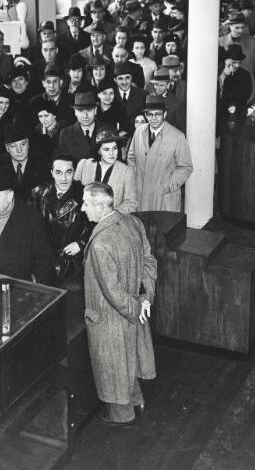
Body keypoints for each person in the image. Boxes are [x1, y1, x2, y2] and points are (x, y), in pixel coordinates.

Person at [82, 182, 157, 426]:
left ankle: (121, 416)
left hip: (110, 317)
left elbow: (112, 292)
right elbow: (149, 261)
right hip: (133, 309)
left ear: (101, 206)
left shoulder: (101, 243)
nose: (83, 209)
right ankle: (138, 401)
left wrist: (135, 309)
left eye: (86, 203)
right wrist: (145, 299)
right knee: (128, 360)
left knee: (113, 368)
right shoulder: (133, 223)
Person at [0, 164, 54, 284]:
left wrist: (30, 285)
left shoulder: (31, 218)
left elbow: (44, 261)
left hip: (17, 293)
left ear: (10, 195)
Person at [31, 154, 92, 290]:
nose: (63, 178)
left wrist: (81, 243)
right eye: (58, 173)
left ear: (74, 173)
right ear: (52, 173)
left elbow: (95, 226)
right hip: (44, 263)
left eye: (68, 172)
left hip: (72, 264)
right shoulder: (38, 193)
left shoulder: (84, 195)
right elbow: (29, 228)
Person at [127, 95, 193, 211]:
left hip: (164, 197)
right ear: (146, 115)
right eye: (150, 114)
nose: (154, 118)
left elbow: (185, 167)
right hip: (142, 194)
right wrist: (135, 178)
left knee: (164, 227)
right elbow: (131, 157)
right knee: (142, 226)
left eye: (158, 114)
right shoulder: (139, 131)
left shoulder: (177, 137)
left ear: (165, 114)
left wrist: (167, 186)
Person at [75, 127, 137, 213]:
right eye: (106, 149)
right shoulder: (84, 165)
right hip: (84, 220)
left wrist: (111, 214)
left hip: (111, 223)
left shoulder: (126, 171)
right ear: (99, 151)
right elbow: (74, 194)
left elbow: (131, 204)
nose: (112, 153)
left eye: (114, 148)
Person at [0, 124, 50, 202]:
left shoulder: (43, 163)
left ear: (28, 144)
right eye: (13, 146)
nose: (19, 150)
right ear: (7, 148)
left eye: (23, 144)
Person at [219, 11, 255, 103]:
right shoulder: (221, 41)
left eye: (242, 27)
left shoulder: (254, 42)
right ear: (230, 26)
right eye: (237, 27)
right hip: (226, 90)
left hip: (248, 89)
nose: (240, 30)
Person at [58, 91, 108, 162]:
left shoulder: (108, 130)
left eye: (89, 110)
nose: (85, 116)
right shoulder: (65, 134)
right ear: (75, 112)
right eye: (80, 111)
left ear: (95, 110)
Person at [217, 46, 252, 119]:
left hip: (238, 111)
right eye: (234, 62)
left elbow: (247, 94)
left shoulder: (245, 74)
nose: (237, 65)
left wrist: (236, 105)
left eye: (239, 63)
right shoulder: (221, 74)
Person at [148, 67, 186, 133]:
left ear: (168, 85)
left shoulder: (178, 103)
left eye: (161, 85)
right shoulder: (148, 99)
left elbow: (181, 130)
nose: (157, 88)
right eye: (156, 85)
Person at [114, 62, 146, 132]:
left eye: (127, 78)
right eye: (120, 79)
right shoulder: (111, 95)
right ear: (115, 80)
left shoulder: (142, 95)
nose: (124, 82)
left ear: (131, 78)